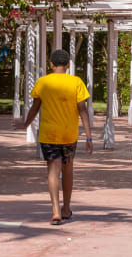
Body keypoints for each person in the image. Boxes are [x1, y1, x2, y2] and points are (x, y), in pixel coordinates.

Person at [15, 48, 92, 225]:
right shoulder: (76, 82)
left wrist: (25, 124)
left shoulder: (43, 82)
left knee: (52, 170)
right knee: (68, 170)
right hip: (69, 134)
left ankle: (56, 211)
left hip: (49, 133)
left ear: (51, 65)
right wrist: (88, 137)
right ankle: (66, 208)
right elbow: (82, 109)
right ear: (67, 65)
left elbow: (35, 107)